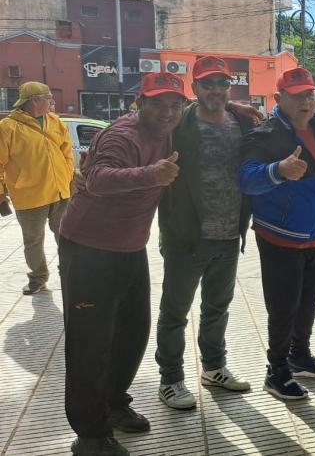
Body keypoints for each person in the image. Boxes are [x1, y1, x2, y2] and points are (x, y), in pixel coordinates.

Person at [58, 73, 188, 456]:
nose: (167, 112)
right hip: (89, 247)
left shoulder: (169, 128)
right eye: (158, 103)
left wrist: (239, 107)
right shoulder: (123, 135)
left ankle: (113, 403)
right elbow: (96, 178)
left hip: (130, 247)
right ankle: (90, 433)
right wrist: (153, 174)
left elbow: (211, 108)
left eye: (175, 104)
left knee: (133, 332)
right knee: (90, 342)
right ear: (139, 103)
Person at [154, 56, 256, 409]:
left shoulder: (240, 123)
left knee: (217, 308)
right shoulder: (177, 125)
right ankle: (170, 380)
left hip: (228, 236)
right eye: (208, 83)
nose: (216, 90)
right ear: (194, 88)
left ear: (231, 87)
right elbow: (140, 127)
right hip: (186, 238)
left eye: (222, 83)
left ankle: (214, 368)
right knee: (175, 312)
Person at [238, 67, 315, 401]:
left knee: (308, 302)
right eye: (297, 96)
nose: (306, 101)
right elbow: (246, 178)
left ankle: (300, 356)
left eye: (310, 94)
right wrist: (278, 170)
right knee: (283, 308)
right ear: (279, 99)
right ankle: (276, 370)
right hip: (281, 238)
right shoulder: (265, 134)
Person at [0, 81, 73, 295]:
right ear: (35, 100)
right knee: (33, 241)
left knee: (67, 236)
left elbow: (67, 154)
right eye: (49, 97)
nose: (53, 100)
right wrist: (1, 193)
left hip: (60, 192)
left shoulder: (55, 122)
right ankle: (38, 278)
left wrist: (69, 181)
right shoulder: (8, 127)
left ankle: (70, 272)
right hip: (29, 194)